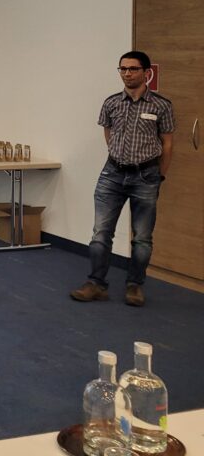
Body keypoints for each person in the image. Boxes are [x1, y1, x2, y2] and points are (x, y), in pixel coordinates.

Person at [71, 51, 174, 307]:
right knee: (100, 233)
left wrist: (160, 174)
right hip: (112, 174)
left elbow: (167, 144)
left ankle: (134, 285)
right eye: (123, 69)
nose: (127, 73)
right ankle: (96, 283)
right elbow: (108, 134)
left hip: (146, 176)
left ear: (146, 73)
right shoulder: (112, 103)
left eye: (133, 69)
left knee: (142, 238)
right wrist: (119, 157)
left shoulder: (161, 105)